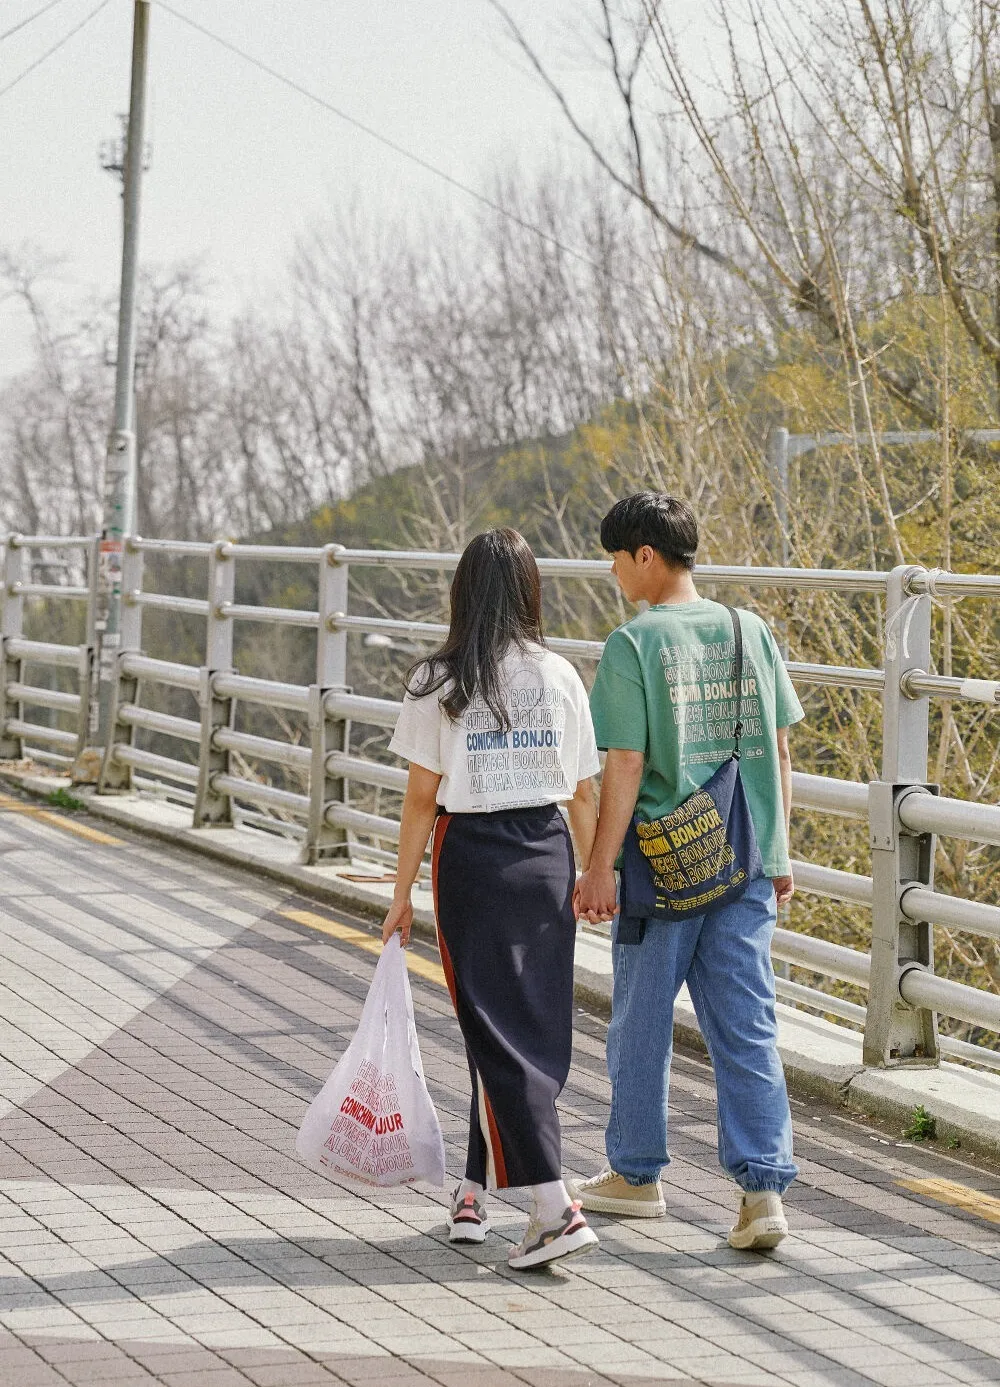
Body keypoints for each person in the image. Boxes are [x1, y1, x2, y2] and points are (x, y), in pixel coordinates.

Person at [571, 492, 803, 1250]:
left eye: (614, 557)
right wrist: (781, 850)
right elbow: (778, 746)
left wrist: (599, 867)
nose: (612, 572)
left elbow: (626, 765)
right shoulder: (751, 630)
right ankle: (762, 1190)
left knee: (641, 1023)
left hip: (664, 872)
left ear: (645, 555)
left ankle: (636, 1176)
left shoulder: (632, 645)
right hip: (746, 862)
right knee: (747, 1025)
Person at [381, 527, 602, 1270]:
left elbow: (419, 802)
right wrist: (601, 871)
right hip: (545, 855)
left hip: (469, 859)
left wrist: (399, 894)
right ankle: (473, 1190)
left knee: (495, 1033)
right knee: (520, 1030)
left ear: (463, 591)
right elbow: (582, 790)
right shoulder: (562, 675)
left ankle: (552, 1204)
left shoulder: (436, 681)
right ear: (531, 590)